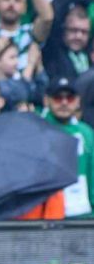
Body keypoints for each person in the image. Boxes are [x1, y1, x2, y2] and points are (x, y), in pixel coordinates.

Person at [42, 77, 94, 218]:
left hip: (83, 212)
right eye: (58, 98)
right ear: (46, 100)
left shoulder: (86, 132)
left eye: (69, 98)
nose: (64, 102)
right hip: (49, 215)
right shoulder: (38, 129)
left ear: (77, 101)